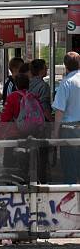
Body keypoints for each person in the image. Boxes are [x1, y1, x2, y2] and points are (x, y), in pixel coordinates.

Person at [0, 73, 44, 181]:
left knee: (9, 169)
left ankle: (12, 188)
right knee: (30, 169)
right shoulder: (33, 96)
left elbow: (5, 119)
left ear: (16, 85)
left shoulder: (12, 97)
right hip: (31, 137)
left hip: (14, 136)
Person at [52, 52, 80, 184]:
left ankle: (72, 200)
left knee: (70, 167)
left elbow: (59, 111)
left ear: (65, 66)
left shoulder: (66, 83)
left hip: (69, 129)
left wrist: (55, 132)